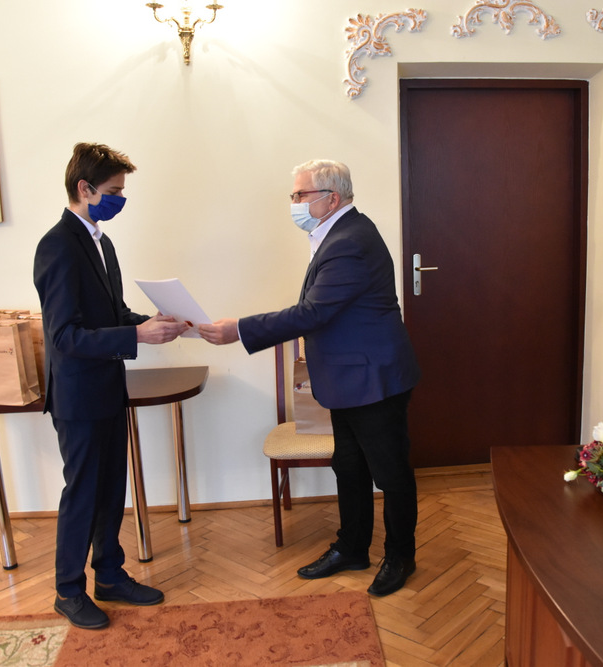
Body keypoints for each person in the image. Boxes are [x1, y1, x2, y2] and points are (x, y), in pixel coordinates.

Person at [199, 159, 421, 597]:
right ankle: (352, 548)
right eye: (295, 195)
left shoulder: (349, 241)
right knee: (349, 467)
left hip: (373, 379)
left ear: (331, 198)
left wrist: (239, 329)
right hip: (349, 378)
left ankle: (400, 557)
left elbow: (313, 312)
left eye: (301, 195)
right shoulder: (338, 233)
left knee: (390, 474)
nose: (295, 202)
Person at [33, 142, 188, 629]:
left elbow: (114, 314)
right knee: (82, 494)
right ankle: (68, 591)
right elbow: (64, 336)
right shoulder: (57, 245)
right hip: (77, 396)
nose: (121, 199)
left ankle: (109, 576)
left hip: (107, 388)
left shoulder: (102, 243)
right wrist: (136, 336)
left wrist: (155, 324)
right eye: (115, 191)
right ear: (85, 189)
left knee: (110, 490)